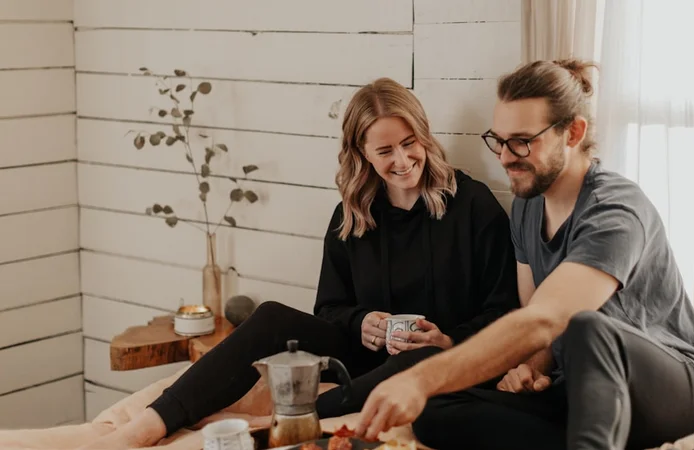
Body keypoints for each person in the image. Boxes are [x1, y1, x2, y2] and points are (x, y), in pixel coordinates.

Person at [78, 77, 519, 449]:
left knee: (416, 359)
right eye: (385, 151)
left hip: (437, 363)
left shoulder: (474, 207)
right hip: (362, 359)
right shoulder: (353, 213)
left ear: (424, 136)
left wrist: (446, 341)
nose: (403, 161)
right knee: (270, 318)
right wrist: (360, 322)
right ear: (362, 152)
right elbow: (327, 309)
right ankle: (145, 426)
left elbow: (504, 315)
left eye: (410, 143)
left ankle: (281, 426)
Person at [354, 60, 694, 450]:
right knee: (436, 413)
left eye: (522, 141)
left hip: (672, 392)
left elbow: (546, 319)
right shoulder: (528, 207)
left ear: (573, 133)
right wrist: (530, 369)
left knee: (587, 328)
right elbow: (533, 322)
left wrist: (419, 378)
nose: (505, 157)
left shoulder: (615, 210)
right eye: (499, 140)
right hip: (581, 392)